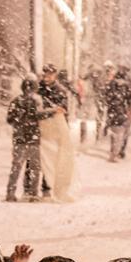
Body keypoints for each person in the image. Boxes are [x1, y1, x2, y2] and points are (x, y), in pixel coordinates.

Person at [5, 75, 51, 200]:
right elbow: (39, 115)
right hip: (33, 139)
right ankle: (33, 193)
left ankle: (10, 193)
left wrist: (18, 120)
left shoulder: (16, 101)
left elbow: (9, 119)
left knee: (16, 167)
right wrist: (52, 112)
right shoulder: (36, 101)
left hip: (19, 138)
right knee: (34, 168)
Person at [37, 64, 76, 201]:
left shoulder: (60, 91)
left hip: (54, 130)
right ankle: (32, 189)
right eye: (45, 74)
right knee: (39, 160)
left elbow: (63, 111)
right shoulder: (37, 88)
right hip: (41, 128)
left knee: (52, 159)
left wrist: (63, 129)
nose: (47, 77)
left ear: (54, 75)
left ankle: (48, 188)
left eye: (50, 74)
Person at [103, 66, 131, 161]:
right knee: (120, 133)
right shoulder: (127, 86)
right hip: (121, 111)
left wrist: (109, 104)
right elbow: (130, 99)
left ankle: (113, 152)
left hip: (112, 111)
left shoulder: (111, 84)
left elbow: (106, 97)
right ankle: (116, 153)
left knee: (114, 133)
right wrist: (130, 108)